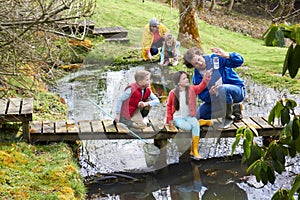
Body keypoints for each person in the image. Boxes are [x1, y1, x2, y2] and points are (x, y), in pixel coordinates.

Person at [183, 47, 246, 129]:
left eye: (199, 59)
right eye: (196, 64)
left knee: (222, 89)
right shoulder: (197, 78)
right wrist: (210, 93)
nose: (200, 63)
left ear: (201, 55)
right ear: (192, 66)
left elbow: (239, 61)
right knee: (199, 115)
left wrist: (228, 55)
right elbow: (203, 97)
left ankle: (227, 119)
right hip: (219, 98)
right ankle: (233, 109)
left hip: (237, 90)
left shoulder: (216, 59)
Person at [165, 71, 211, 160]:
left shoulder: (192, 90)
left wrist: (206, 78)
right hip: (178, 118)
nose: (187, 80)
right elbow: (168, 106)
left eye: (187, 78)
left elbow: (201, 86)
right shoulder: (173, 93)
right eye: (184, 78)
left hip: (189, 116)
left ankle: (194, 150)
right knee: (187, 127)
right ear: (178, 82)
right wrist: (169, 119)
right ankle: (201, 122)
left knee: (195, 126)